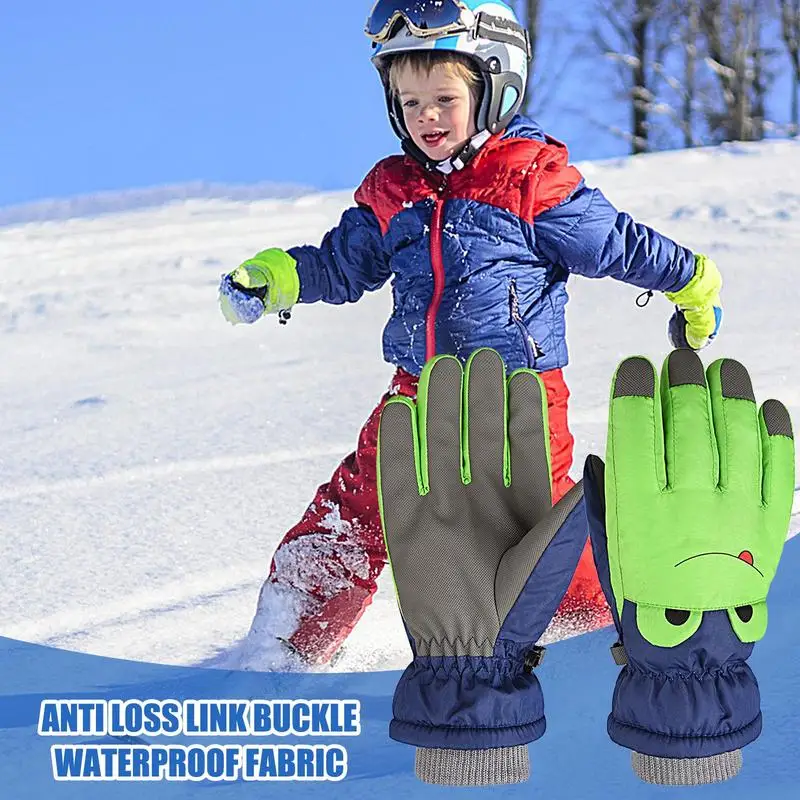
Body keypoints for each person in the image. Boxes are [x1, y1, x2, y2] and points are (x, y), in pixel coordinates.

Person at [218, 0, 723, 668]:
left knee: (536, 529)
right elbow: (343, 263)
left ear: (495, 88)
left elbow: (616, 244)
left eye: (444, 98)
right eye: (409, 100)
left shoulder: (529, 179)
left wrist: (690, 280)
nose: (426, 116)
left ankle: (603, 634)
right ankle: (285, 645)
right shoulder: (394, 192)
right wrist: (280, 276)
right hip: (418, 392)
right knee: (357, 509)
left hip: (518, 399)